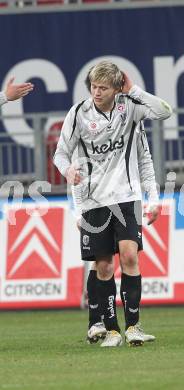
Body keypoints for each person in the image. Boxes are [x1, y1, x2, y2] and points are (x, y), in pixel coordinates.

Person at [54, 60, 171, 347]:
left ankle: (133, 326)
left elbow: (164, 112)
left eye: (103, 87)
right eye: (93, 86)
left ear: (117, 87)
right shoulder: (79, 114)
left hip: (127, 197)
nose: (96, 92)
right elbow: (60, 155)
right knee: (103, 266)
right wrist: (67, 171)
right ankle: (110, 328)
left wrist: (134, 90)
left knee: (130, 256)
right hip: (94, 201)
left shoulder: (130, 107)